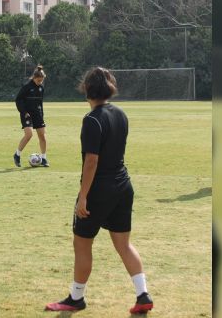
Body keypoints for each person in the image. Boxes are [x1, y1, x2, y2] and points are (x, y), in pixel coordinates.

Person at [45, 67, 153, 314]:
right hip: (123, 186)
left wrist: (83, 196)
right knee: (124, 245)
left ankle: (76, 298)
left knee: (82, 243)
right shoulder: (121, 114)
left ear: (87, 90)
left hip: (99, 189)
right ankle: (143, 294)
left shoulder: (92, 119)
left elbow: (91, 161)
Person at [13, 65, 49, 167]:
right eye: (38, 80)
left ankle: (44, 158)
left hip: (38, 114)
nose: (40, 82)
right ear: (34, 78)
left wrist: (42, 114)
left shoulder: (41, 88)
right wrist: (24, 112)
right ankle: (17, 154)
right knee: (29, 135)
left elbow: (40, 103)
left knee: (42, 136)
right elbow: (18, 100)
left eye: (41, 80)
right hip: (27, 114)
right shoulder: (27, 87)